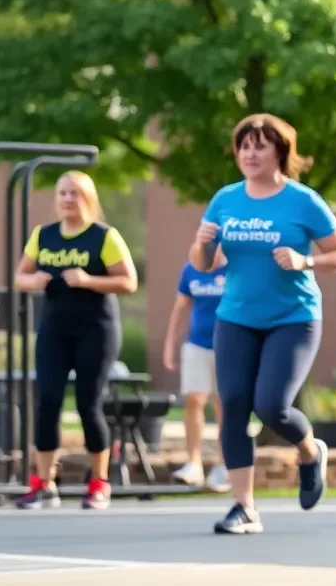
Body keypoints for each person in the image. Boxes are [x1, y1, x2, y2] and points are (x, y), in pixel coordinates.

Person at [190, 113, 336, 535]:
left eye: (260, 145)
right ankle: (244, 507)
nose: (250, 152)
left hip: (293, 317)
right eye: (244, 145)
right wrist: (203, 245)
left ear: (280, 151)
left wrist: (307, 260)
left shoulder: (303, 201)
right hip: (236, 316)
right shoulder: (225, 199)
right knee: (233, 407)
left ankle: (309, 450)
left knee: (272, 405)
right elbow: (202, 264)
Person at [13, 171, 139, 510]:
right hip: (55, 329)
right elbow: (19, 276)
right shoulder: (44, 235)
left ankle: (99, 483)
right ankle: (43, 484)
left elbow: (129, 282)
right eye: (63, 193)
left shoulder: (103, 236)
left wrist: (87, 279)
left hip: (96, 329)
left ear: (89, 198)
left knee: (88, 402)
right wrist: (33, 280)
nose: (68, 199)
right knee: (48, 400)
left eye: (75, 193)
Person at [163, 250, 230, 493]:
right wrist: (170, 344)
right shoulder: (191, 269)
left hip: (229, 346)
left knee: (224, 404)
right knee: (194, 399)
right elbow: (181, 307)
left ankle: (225, 465)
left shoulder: (234, 269)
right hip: (196, 344)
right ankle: (193, 463)